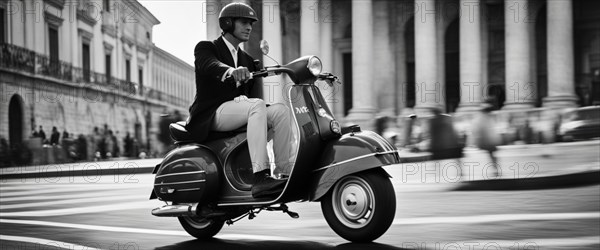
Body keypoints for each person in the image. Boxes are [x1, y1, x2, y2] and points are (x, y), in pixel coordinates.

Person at [186, 2, 293, 198]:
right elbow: (209, 64)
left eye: (251, 23)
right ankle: (260, 177)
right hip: (212, 114)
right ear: (227, 23)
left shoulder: (249, 60)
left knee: (280, 111)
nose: (249, 27)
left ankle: (284, 172)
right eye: (244, 22)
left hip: (239, 112)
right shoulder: (207, 48)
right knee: (257, 106)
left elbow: (255, 99)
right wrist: (230, 71)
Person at [472, 103, 502, 177]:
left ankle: (495, 170)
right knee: (492, 155)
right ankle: (495, 170)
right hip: (490, 140)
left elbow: (477, 129)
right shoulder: (488, 118)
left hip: (487, 140)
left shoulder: (482, 118)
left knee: (491, 155)